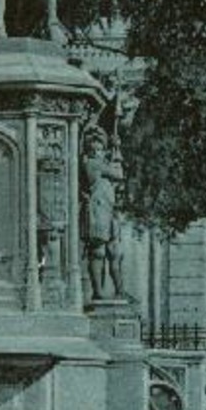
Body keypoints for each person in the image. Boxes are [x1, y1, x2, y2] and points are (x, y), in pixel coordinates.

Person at [81, 123, 124, 302]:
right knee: (98, 252)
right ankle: (98, 291)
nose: (97, 152)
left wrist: (115, 149)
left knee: (114, 252)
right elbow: (119, 174)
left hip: (109, 211)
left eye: (100, 149)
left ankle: (120, 290)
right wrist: (116, 150)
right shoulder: (93, 164)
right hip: (97, 212)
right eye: (94, 149)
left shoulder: (100, 163)